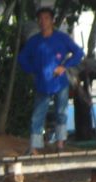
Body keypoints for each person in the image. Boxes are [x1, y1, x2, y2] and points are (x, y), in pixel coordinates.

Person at [17, 7, 83, 155]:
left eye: (46, 18)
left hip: (60, 83)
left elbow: (78, 53)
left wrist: (65, 66)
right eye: (40, 19)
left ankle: (60, 144)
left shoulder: (62, 38)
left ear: (52, 21)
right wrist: (33, 69)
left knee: (61, 113)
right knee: (38, 115)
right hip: (42, 83)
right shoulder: (34, 41)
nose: (43, 22)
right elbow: (22, 58)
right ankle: (34, 147)